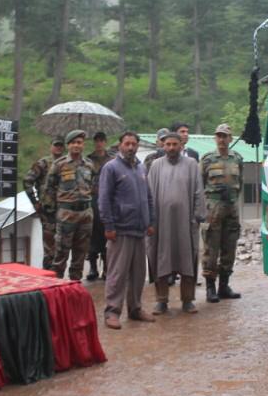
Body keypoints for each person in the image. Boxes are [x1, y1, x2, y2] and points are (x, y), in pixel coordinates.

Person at [98, 131, 155, 329]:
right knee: (117, 273)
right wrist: (109, 225)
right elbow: (104, 199)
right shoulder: (111, 168)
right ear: (120, 145)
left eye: (133, 144)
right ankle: (112, 312)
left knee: (139, 273)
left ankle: (135, 309)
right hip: (120, 230)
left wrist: (150, 221)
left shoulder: (140, 167)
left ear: (138, 146)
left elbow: (148, 197)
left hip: (139, 229)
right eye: (127, 143)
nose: (130, 147)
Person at [147, 130, 204, 314]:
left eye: (175, 144)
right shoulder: (156, 165)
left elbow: (198, 191)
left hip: (185, 222)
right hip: (161, 223)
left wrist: (197, 216)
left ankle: (187, 300)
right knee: (161, 258)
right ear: (163, 146)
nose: (171, 148)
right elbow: (149, 194)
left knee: (187, 258)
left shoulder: (191, 164)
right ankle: (161, 301)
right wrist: (149, 219)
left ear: (181, 146)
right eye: (168, 145)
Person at [199, 123, 244, 303]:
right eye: (219, 136)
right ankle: (211, 288)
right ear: (215, 138)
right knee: (211, 248)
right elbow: (200, 184)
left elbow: (240, 182)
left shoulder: (237, 159)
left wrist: (232, 199)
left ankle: (224, 285)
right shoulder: (208, 159)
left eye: (225, 136)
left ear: (230, 139)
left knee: (230, 247)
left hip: (231, 206)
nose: (222, 139)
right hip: (213, 208)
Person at [44, 130, 94, 280]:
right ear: (68, 145)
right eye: (73, 143)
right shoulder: (59, 165)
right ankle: (57, 288)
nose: (76, 145)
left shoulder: (89, 165)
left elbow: (91, 186)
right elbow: (49, 189)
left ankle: (75, 286)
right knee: (60, 254)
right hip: (66, 214)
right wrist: (53, 214)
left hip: (85, 214)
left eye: (79, 142)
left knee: (80, 254)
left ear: (83, 145)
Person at [24, 137, 64, 270]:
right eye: (56, 145)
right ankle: (47, 274)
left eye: (60, 145)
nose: (58, 148)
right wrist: (34, 201)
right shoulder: (43, 163)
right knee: (49, 246)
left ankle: (59, 276)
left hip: (64, 210)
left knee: (62, 246)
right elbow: (27, 181)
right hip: (48, 210)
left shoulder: (66, 163)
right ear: (51, 146)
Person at [86, 131, 112, 281]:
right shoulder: (87, 159)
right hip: (91, 199)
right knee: (91, 235)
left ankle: (107, 269)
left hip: (107, 200)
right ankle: (93, 268)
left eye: (102, 140)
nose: (99, 143)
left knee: (106, 233)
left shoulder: (111, 159)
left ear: (105, 142)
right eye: (97, 140)